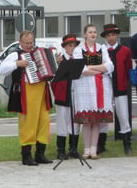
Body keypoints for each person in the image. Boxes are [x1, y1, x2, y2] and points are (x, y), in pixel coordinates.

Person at [0, 30, 53, 166]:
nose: (29, 45)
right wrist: (17, 64)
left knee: (44, 121)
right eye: (26, 43)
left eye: (30, 42)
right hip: (26, 90)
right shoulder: (15, 54)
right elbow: (1, 70)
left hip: (42, 89)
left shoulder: (40, 52)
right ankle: (26, 155)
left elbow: (49, 69)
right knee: (29, 122)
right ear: (20, 42)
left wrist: (55, 63)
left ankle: (40, 154)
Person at [72, 24, 113, 159]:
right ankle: (86, 149)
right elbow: (81, 69)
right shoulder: (79, 50)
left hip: (100, 86)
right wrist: (100, 69)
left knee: (96, 120)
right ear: (85, 34)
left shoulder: (102, 48)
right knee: (87, 120)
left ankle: (94, 149)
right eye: (90, 32)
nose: (93, 34)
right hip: (85, 87)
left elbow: (110, 66)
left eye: (95, 32)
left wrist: (91, 67)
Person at [99, 23, 132, 154]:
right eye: (108, 35)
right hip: (104, 88)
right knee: (103, 115)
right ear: (105, 37)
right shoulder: (101, 51)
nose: (111, 38)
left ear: (117, 35)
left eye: (113, 35)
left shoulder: (125, 51)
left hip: (120, 87)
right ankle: (101, 144)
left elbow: (128, 68)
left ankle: (127, 143)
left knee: (123, 115)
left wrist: (125, 82)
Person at [51, 34, 81, 160]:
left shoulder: (78, 60)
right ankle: (61, 150)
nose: (72, 48)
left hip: (76, 94)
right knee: (62, 122)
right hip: (62, 94)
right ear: (65, 47)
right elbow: (53, 80)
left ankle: (73, 148)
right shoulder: (59, 60)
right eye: (70, 46)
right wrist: (57, 93)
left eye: (74, 45)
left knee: (76, 122)